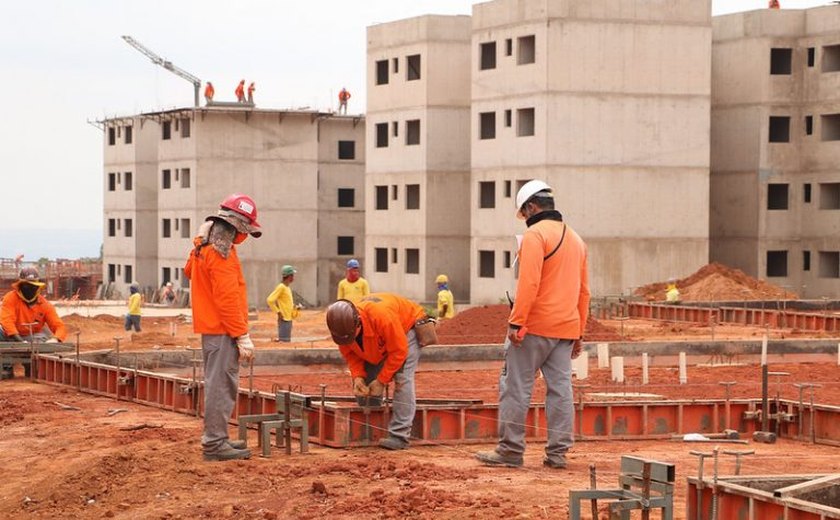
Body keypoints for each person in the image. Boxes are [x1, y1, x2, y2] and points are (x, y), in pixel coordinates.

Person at [476, 180, 590, 469]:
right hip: (565, 329)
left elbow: (529, 282)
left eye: (524, 212)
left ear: (531, 207)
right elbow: (584, 291)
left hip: (534, 328)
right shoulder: (576, 240)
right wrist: (579, 332)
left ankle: (510, 451)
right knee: (561, 390)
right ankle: (557, 454)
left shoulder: (535, 236)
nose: (524, 218)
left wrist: (516, 322)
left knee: (515, 387)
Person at [184, 193, 262, 462]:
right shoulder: (221, 255)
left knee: (219, 384)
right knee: (221, 386)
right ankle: (215, 444)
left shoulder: (202, 247)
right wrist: (242, 335)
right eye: (245, 231)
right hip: (223, 330)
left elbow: (188, 272)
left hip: (213, 330)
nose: (245, 237)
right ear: (237, 226)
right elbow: (227, 299)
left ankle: (219, 440)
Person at [326, 293, 427, 450]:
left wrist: (381, 381)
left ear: (358, 323)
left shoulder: (382, 317)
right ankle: (372, 427)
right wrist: (358, 376)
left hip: (407, 331)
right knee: (366, 386)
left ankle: (399, 436)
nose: (348, 341)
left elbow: (399, 351)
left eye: (351, 336)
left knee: (402, 378)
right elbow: (351, 354)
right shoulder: (342, 328)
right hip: (379, 340)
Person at [0, 267, 67, 379]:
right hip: (10, 335)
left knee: (43, 341)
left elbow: (59, 325)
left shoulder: (45, 305)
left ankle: (32, 366)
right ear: (20, 285)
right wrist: (21, 342)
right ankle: (6, 367)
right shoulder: (10, 298)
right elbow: (6, 321)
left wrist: (55, 339)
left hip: (32, 336)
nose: (29, 288)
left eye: (32, 285)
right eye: (26, 285)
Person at [266, 265, 300, 342]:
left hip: (288, 319)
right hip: (284, 319)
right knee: (284, 343)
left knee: (286, 342)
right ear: (289, 276)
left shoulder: (286, 288)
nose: (293, 277)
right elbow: (270, 300)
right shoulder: (281, 287)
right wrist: (278, 312)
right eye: (292, 275)